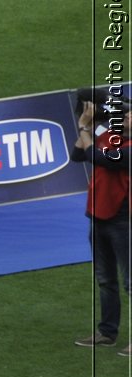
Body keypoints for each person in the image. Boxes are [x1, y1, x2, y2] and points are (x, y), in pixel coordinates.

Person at [72, 99, 129, 355]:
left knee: (131, 282)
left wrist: (85, 129)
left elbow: (99, 158)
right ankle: (107, 333)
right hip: (98, 218)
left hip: (124, 222)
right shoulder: (110, 135)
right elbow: (77, 155)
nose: (127, 118)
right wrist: (89, 124)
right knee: (106, 279)